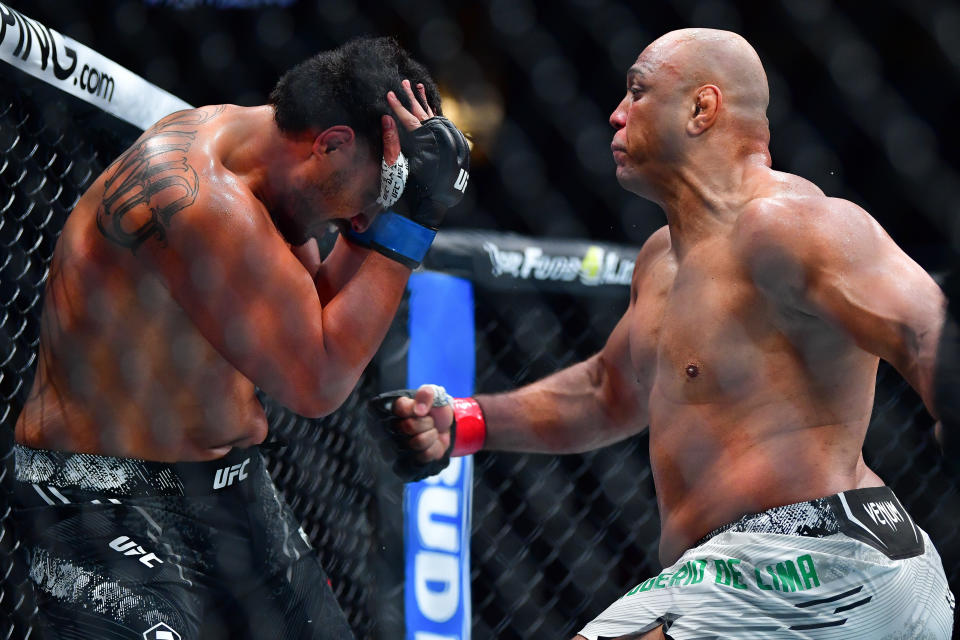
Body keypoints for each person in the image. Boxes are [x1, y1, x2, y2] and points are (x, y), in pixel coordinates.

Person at [370, 28, 956, 639]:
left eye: (638, 92)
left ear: (702, 108)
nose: (615, 115)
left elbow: (926, 328)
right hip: (745, 573)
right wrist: (465, 422)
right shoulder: (662, 261)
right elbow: (606, 391)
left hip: (823, 557)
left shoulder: (789, 223)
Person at [12, 36, 469, 639]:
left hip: (229, 483)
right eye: (377, 191)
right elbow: (318, 382)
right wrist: (412, 221)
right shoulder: (204, 199)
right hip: (101, 492)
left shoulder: (276, 176)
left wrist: (395, 208)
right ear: (331, 144)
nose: (365, 219)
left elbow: (321, 317)